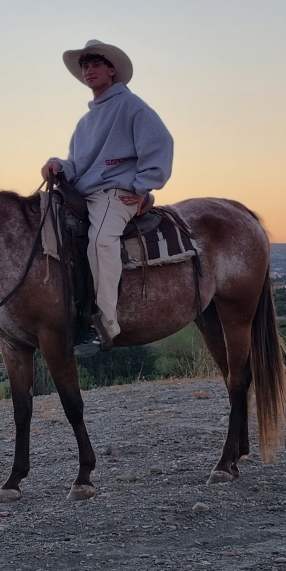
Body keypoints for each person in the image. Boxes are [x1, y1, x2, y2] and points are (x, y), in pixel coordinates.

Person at [42, 40, 174, 350]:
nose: (89, 70)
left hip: (116, 192)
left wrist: (142, 188)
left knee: (101, 241)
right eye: (85, 66)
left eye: (96, 64)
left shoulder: (132, 106)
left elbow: (161, 143)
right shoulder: (86, 121)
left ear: (112, 70)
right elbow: (76, 164)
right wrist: (57, 165)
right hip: (84, 193)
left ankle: (105, 322)